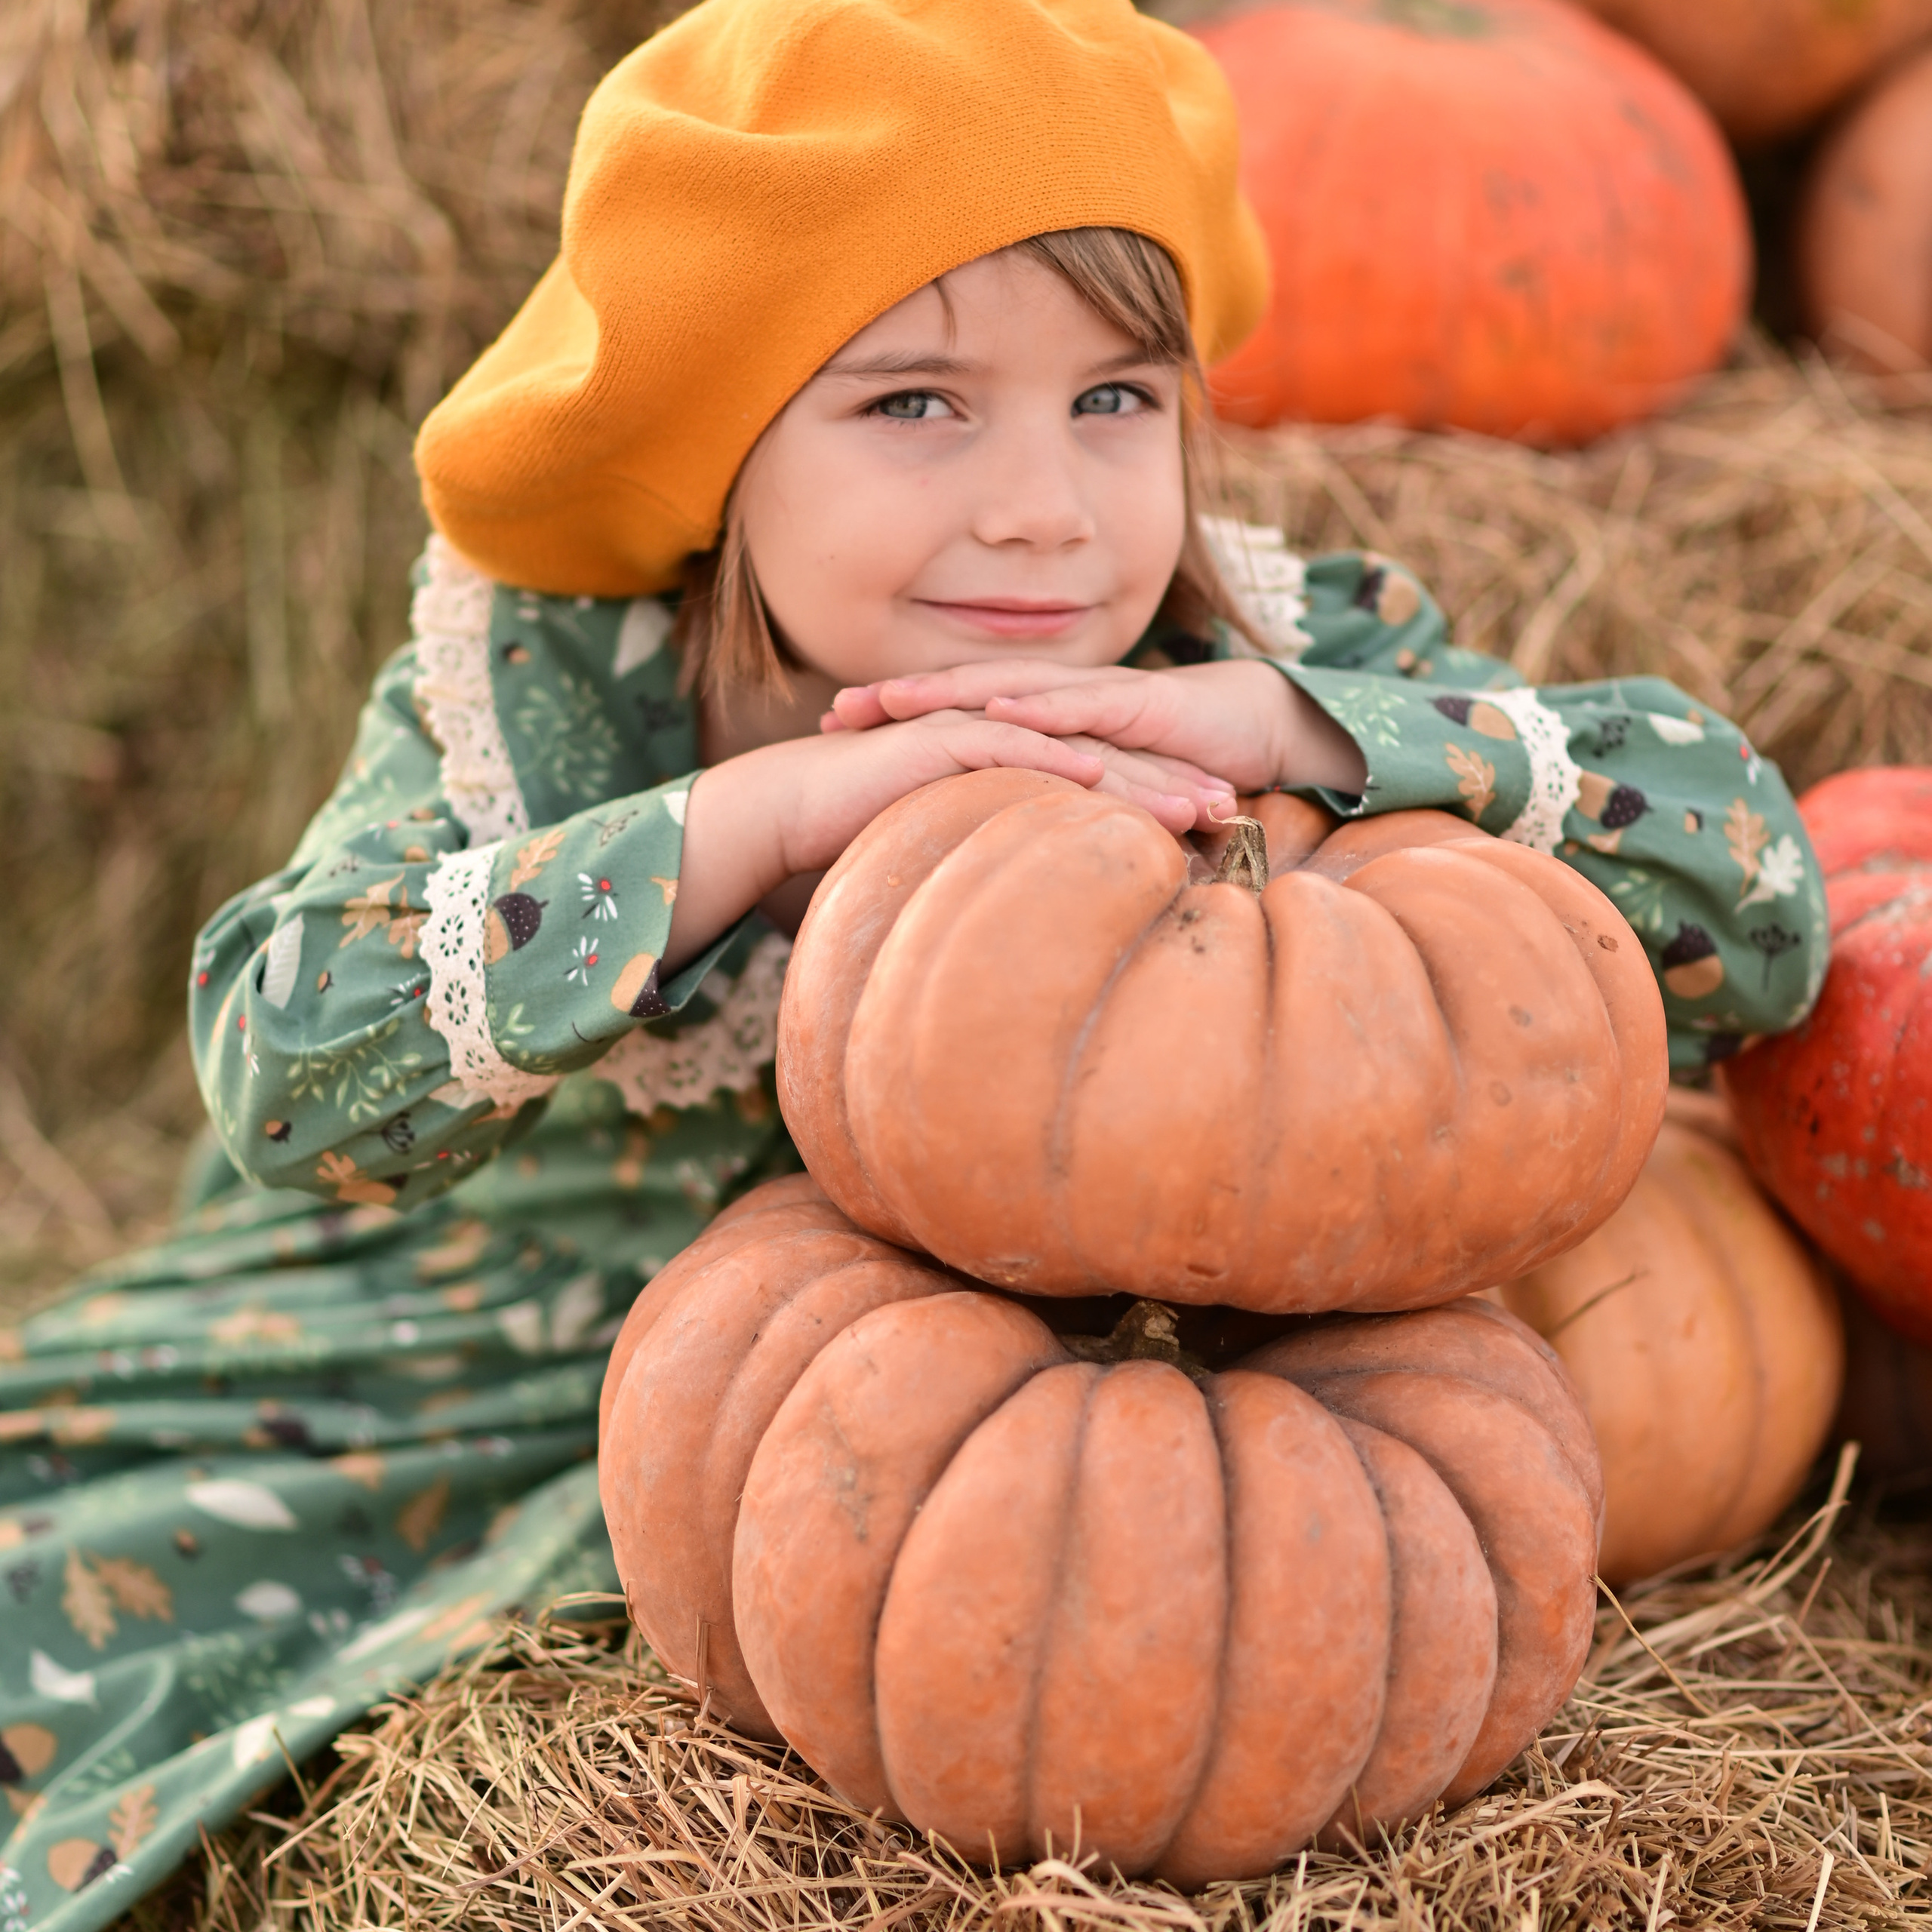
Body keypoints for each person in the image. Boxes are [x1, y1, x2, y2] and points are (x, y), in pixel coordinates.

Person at [0, 0, 1826, 1923]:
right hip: (458, 1351)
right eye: (914, 404)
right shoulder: (558, 679)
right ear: (718, 438)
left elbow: (1760, 912)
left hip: (949, 1424)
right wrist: (752, 821)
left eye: (1112, 400)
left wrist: (1302, 730)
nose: (1041, 505)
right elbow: (283, 1060)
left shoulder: (1247, 657)